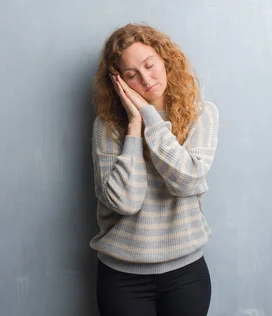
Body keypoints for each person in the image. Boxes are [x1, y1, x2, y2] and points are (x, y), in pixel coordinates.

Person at [89, 23, 220, 316]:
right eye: (132, 75)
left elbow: (186, 181)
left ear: (165, 59)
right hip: (122, 278)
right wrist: (134, 127)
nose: (146, 79)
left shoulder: (202, 114)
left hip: (186, 273)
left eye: (149, 65)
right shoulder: (107, 126)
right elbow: (125, 201)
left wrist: (149, 114)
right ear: (118, 81)